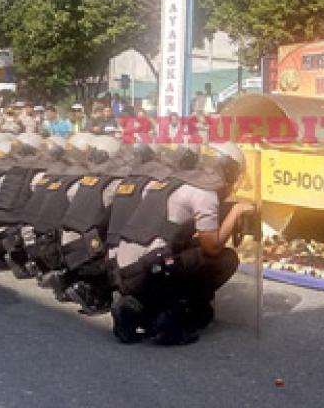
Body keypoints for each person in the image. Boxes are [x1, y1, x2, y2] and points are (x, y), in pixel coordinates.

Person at [110, 141, 256, 345]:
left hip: (126, 270)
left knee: (188, 251)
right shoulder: (204, 194)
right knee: (225, 259)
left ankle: (135, 309)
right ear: (229, 171)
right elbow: (212, 247)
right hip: (150, 272)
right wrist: (236, 212)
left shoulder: (167, 182)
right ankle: (173, 316)